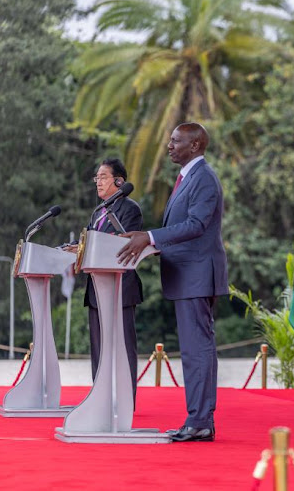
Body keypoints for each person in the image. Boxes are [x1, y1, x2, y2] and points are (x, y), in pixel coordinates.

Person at [117, 123, 228, 443]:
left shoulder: (204, 178)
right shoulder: (188, 178)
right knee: (193, 350)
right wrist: (150, 246)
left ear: (194, 146)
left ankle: (201, 420)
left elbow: (196, 225)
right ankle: (197, 418)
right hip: (186, 275)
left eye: (176, 141)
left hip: (197, 275)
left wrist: (149, 237)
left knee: (198, 349)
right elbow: (184, 228)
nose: (169, 145)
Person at [66, 158, 143, 402]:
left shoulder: (130, 209)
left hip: (121, 287)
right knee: (98, 347)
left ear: (119, 181)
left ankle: (125, 399)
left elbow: (121, 244)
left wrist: (88, 248)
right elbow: (91, 243)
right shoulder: (98, 211)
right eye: (96, 178)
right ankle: (100, 398)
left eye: (103, 177)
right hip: (96, 288)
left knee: (123, 345)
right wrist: (76, 249)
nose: (97, 182)